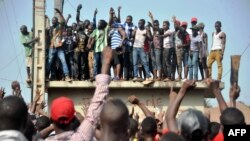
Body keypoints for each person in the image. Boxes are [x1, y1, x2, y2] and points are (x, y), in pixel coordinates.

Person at [45, 47, 113, 141]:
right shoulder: (82, 137)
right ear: (73, 118)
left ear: (51, 119)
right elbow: (97, 103)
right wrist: (105, 64)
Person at [46, 8, 71, 82]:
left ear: (57, 21)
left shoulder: (59, 26)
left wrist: (60, 13)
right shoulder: (50, 28)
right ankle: (47, 76)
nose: (53, 21)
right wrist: (46, 18)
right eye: (52, 21)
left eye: (54, 20)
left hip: (59, 47)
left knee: (63, 61)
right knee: (50, 62)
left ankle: (67, 76)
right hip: (52, 47)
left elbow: (63, 21)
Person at [132, 19, 153, 83]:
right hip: (135, 47)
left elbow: (151, 39)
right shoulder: (136, 29)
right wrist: (134, 32)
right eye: (138, 23)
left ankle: (148, 76)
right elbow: (132, 36)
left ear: (143, 24)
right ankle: (135, 76)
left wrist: (146, 35)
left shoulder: (145, 30)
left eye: (141, 23)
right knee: (135, 63)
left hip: (142, 48)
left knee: (145, 62)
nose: (139, 24)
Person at [108, 8, 126, 80]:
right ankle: (115, 76)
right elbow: (110, 22)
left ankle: (118, 76)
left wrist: (121, 43)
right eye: (113, 20)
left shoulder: (119, 28)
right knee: (113, 63)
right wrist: (111, 14)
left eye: (115, 20)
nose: (113, 20)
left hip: (117, 47)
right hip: (112, 48)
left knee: (118, 62)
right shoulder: (111, 29)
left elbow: (124, 35)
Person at [148, 11, 163, 81]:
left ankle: (159, 76)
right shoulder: (154, 31)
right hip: (152, 48)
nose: (155, 26)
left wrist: (152, 25)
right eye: (154, 25)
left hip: (158, 48)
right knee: (153, 63)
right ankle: (155, 76)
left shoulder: (161, 30)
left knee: (158, 62)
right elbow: (153, 26)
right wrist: (151, 17)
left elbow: (155, 27)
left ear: (158, 25)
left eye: (156, 25)